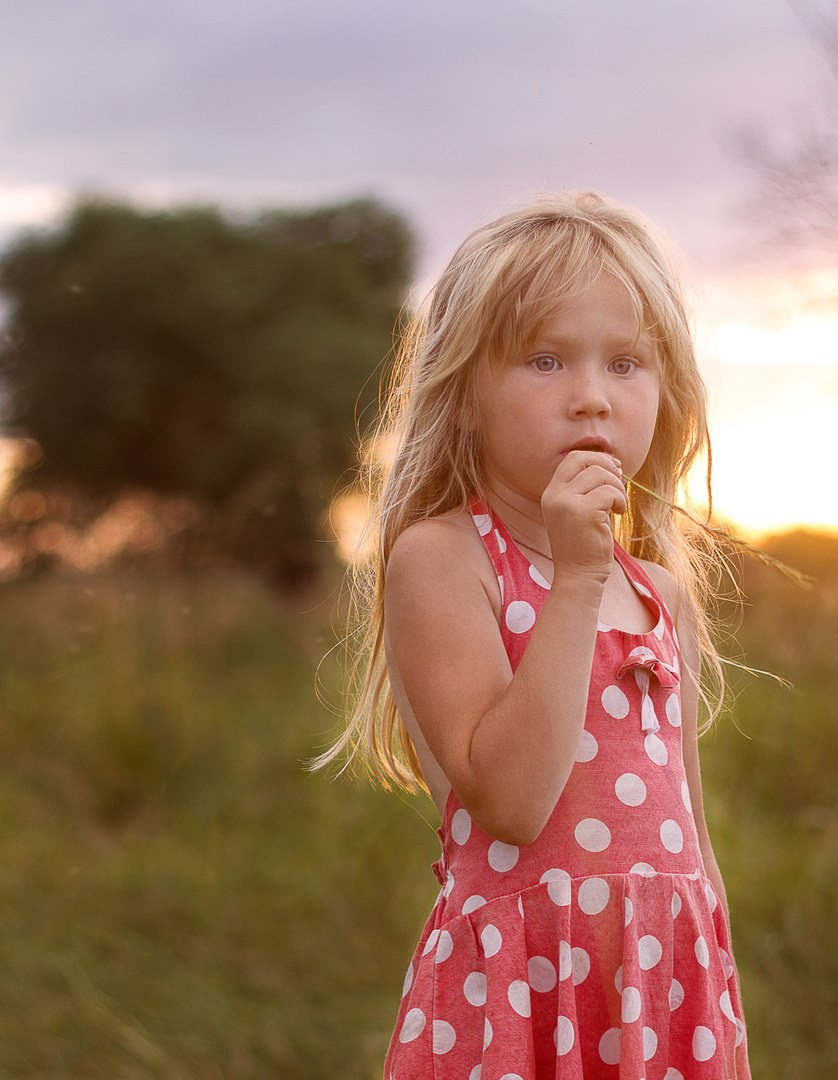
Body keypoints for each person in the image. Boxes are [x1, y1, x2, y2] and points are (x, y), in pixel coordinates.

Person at [314, 191, 752, 1078]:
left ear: (665, 393)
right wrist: (578, 580)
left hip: (660, 991)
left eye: (625, 363)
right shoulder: (444, 561)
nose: (589, 398)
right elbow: (511, 800)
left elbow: (692, 844)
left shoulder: (661, 594)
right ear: (465, 395)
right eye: (544, 360)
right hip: (518, 995)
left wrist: (717, 1003)